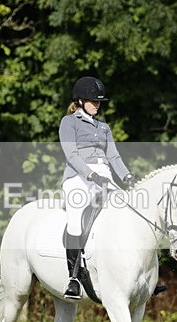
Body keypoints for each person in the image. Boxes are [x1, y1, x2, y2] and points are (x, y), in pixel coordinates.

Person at [58, 76, 137, 300]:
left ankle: (142, 276)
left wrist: (127, 176)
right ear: (80, 101)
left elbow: (113, 155)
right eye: (93, 101)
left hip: (105, 176)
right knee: (75, 218)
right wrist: (91, 175)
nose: (97, 104)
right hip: (78, 177)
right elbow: (71, 155)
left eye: (99, 101)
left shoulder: (103, 127)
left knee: (130, 214)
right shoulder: (69, 122)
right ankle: (73, 278)